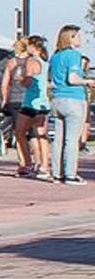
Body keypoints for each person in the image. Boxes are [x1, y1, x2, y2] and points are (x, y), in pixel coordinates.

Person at [47, 25, 93, 185]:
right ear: (70, 38)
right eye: (78, 36)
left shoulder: (55, 56)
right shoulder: (74, 55)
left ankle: (57, 173)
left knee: (58, 139)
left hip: (57, 98)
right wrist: (87, 81)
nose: (81, 39)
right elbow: (72, 79)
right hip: (73, 99)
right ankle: (70, 174)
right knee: (72, 140)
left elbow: (51, 80)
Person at [17, 35, 51, 179]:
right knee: (41, 134)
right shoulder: (44, 62)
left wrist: (21, 79)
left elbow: (28, 81)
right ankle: (44, 165)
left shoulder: (31, 61)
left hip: (30, 103)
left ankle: (27, 163)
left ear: (33, 47)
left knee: (19, 132)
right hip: (43, 102)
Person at [0, 38, 31, 169]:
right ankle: (37, 162)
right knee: (33, 134)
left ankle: (23, 161)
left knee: (19, 132)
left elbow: (4, 83)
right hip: (30, 99)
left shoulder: (11, 62)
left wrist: (4, 99)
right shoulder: (33, 61)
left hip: (14, 99)